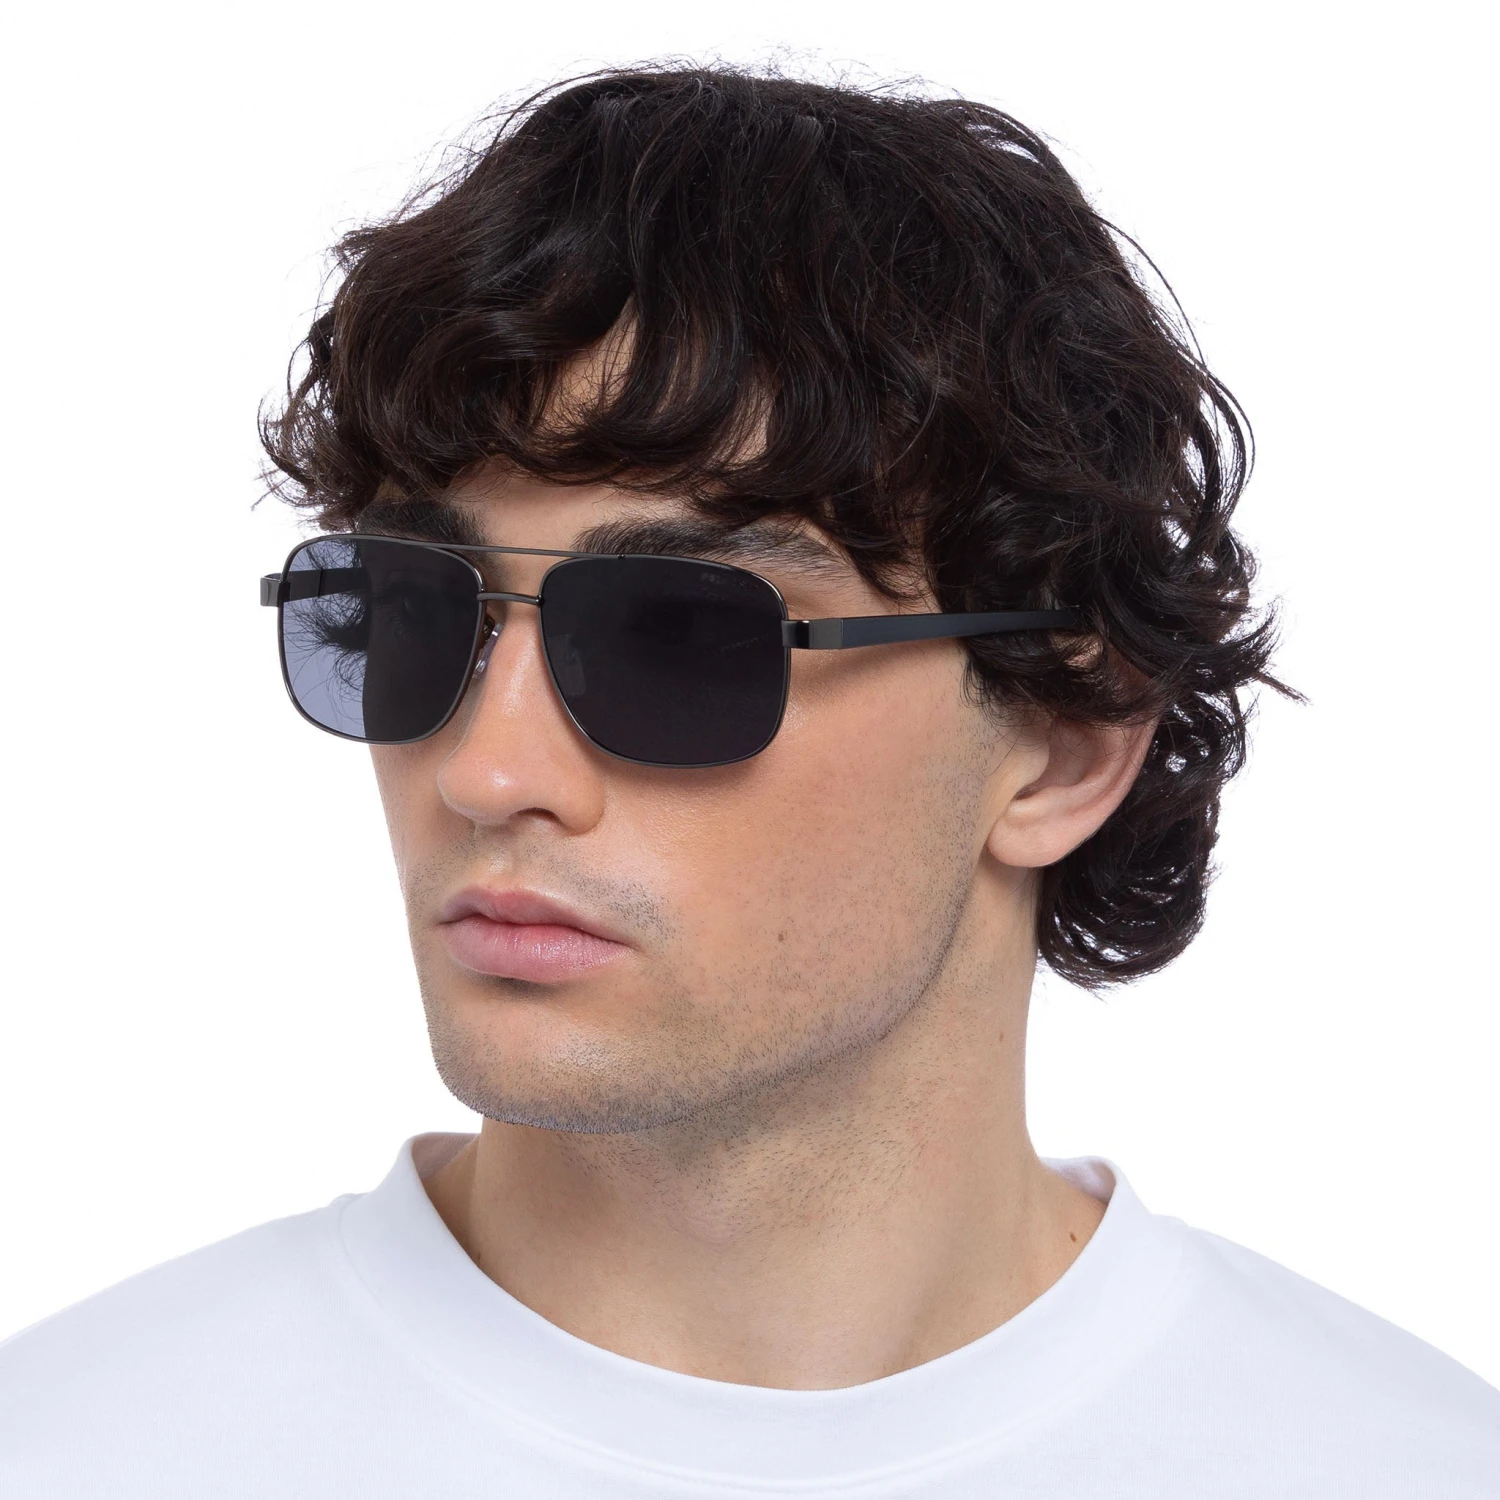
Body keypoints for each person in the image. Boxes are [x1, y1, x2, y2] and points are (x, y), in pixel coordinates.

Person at [2, 62, 1495, 1498]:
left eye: (677, 637)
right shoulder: (76, 1453)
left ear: (1065, 745)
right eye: (411, 613)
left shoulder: (1403, 1469)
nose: (487, 769)